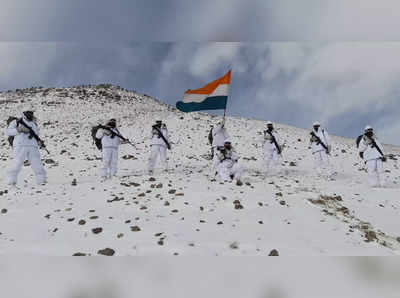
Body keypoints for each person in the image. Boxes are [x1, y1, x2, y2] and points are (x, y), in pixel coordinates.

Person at [6, 110, 47, 185]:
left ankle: (41, 180)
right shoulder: (16, 122)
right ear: (24, 114)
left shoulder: (34, 124)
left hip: (33, 146)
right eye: (28, 113)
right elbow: (8, 132)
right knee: (17, 163)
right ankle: (11, 181)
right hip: (20, 145)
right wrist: (19, 130)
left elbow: (36, 135)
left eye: (31, 113)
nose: (30, 114)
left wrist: (40, 142)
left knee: (37, 163)